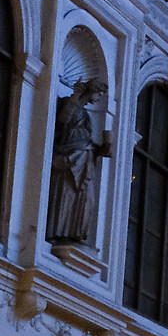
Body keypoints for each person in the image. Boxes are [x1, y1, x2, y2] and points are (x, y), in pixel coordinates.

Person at [46, 80, 107, 246]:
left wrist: (101, 149)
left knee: (87, 200)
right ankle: (56, 232)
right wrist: (75, 98)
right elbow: (61, 122)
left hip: (83, 161)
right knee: (65, 195)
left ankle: (74, 233)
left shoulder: (86, 115)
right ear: (91, 90)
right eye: (99, 94)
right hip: (67, 159)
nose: (99, 98)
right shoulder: (68, 103)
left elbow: (86, 141)